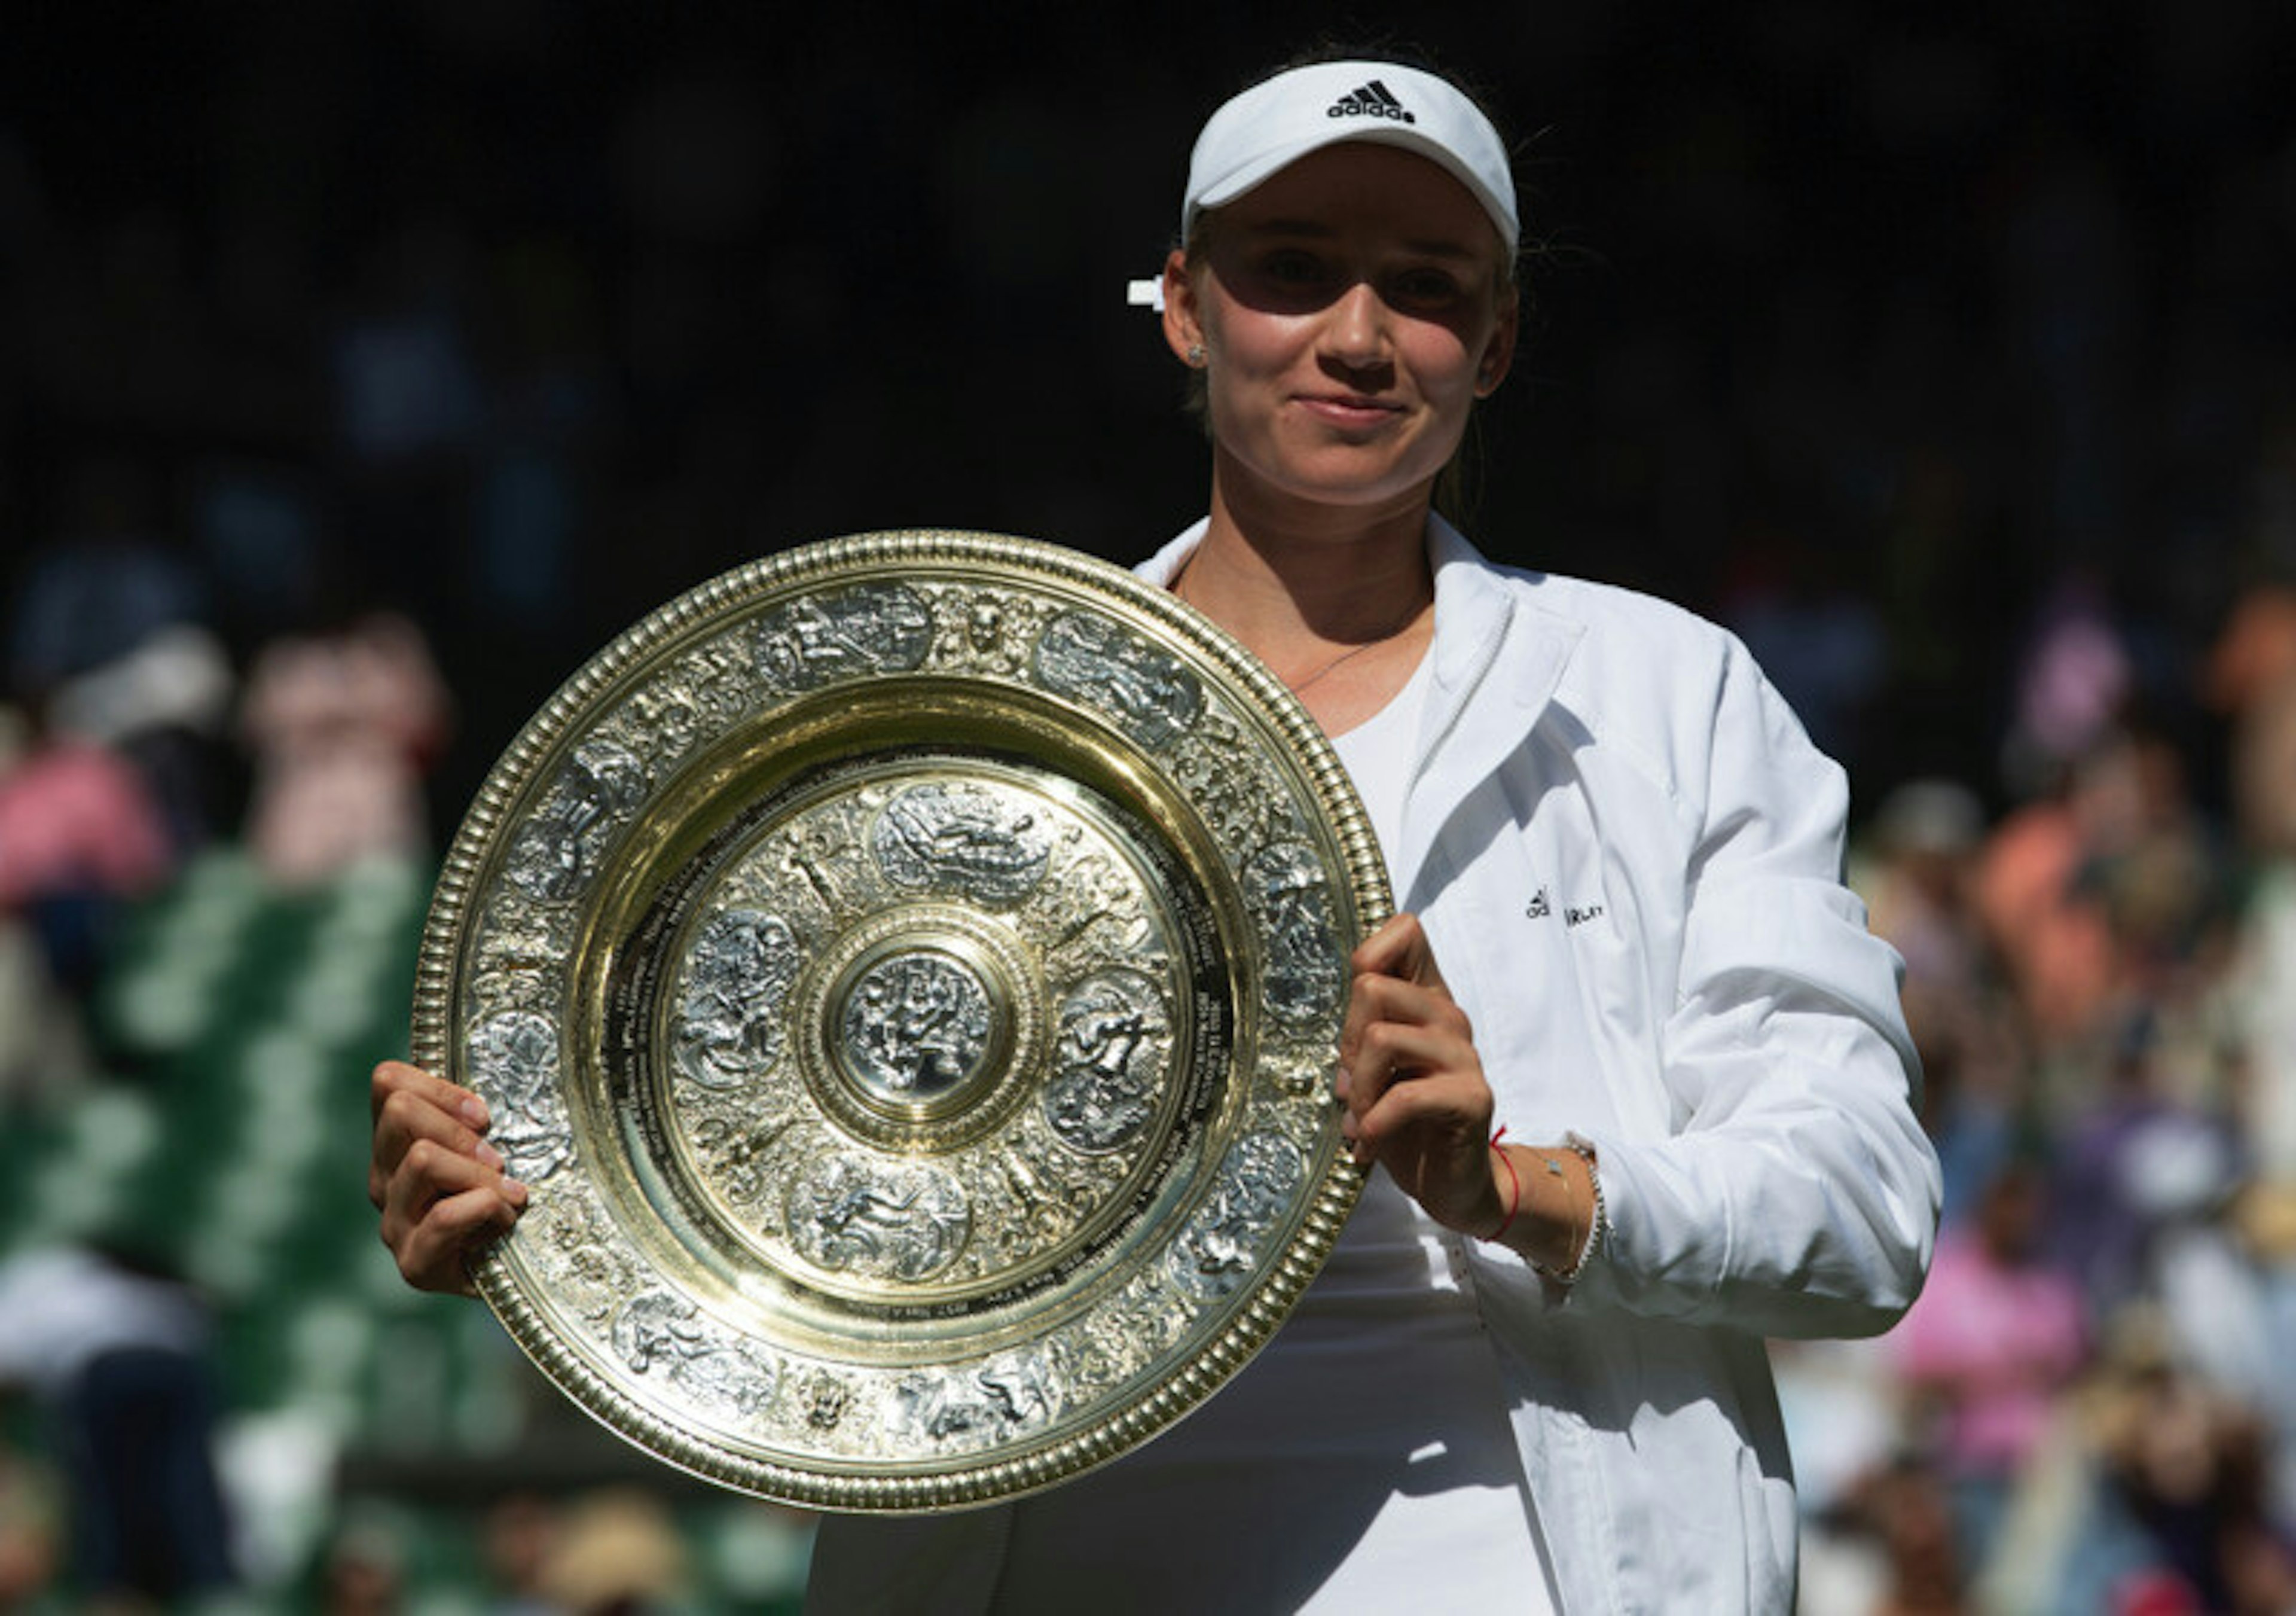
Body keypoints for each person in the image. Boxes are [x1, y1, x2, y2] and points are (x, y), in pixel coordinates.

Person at [370, 52, 1941, 1611]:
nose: (1360, 335)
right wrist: (530, 1213)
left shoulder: (1663, 695)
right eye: (1295, 270)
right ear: (1185, 305)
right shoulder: (963, 722)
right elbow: (786, 1189)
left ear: (1500, 340)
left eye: (1429, 285)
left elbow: (1860, 1206)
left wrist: (1509, 1183)